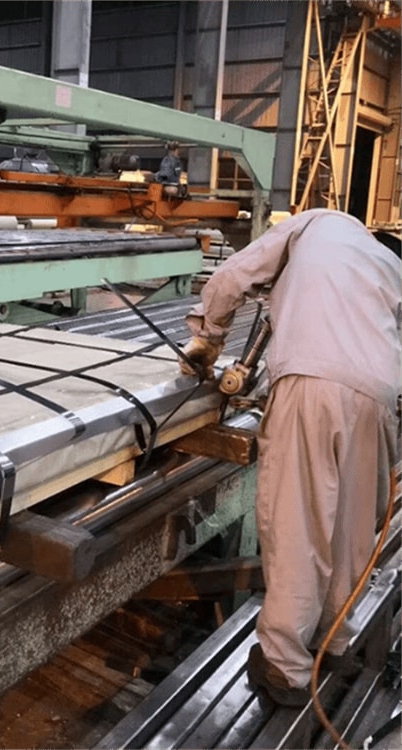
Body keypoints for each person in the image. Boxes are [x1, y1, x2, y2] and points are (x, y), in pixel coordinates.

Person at [179, 208, 401, 706]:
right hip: (380, 397)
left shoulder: (318, 223)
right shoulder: (390, 267)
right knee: (351, 529)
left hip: (311, 385)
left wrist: (208, 337)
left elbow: (232, 277)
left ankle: (284, 666)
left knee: (300, 525)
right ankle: (333, 642)